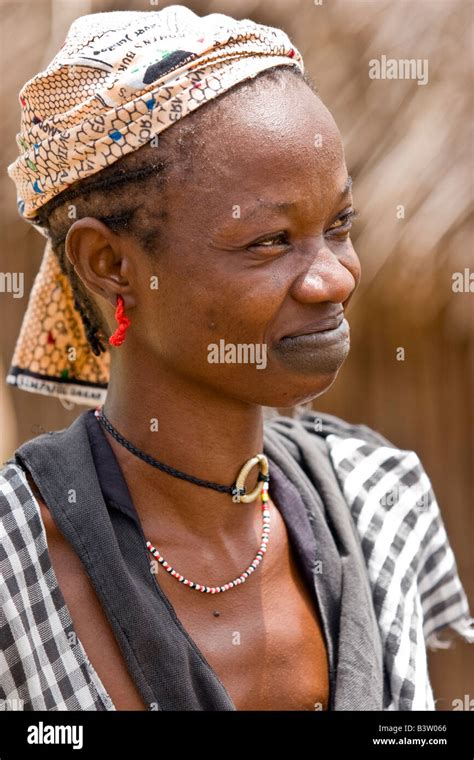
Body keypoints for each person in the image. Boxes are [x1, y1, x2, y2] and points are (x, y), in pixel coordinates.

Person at [1, 6, 472, 712]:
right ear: (110, 263)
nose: (335, 278)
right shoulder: (17, 568)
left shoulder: (383, 503)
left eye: (338, 226)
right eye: (269, 241)